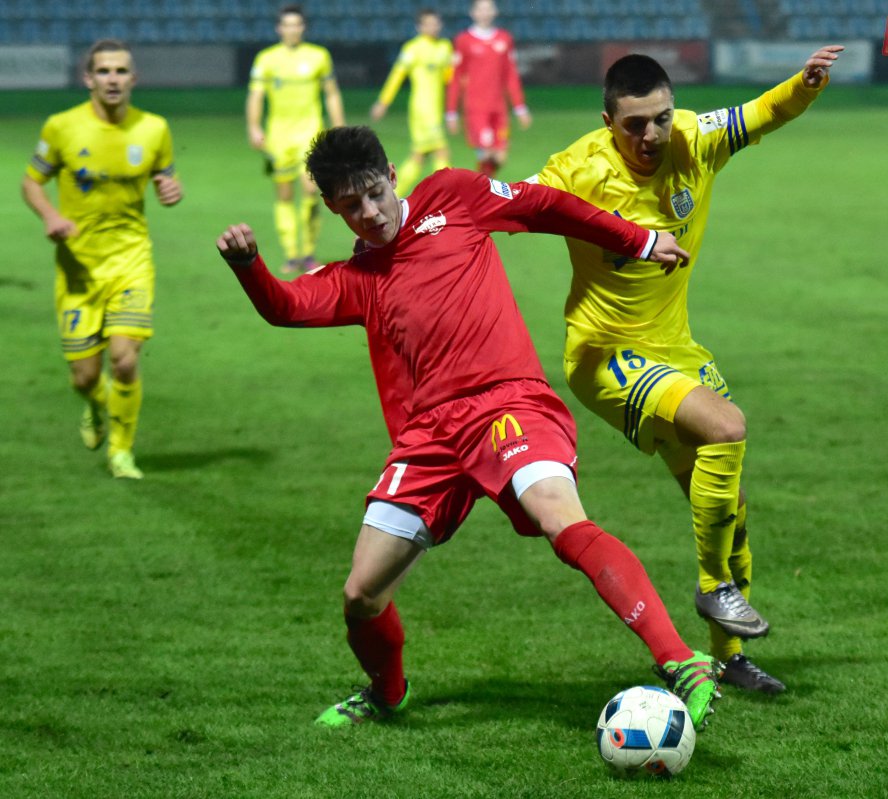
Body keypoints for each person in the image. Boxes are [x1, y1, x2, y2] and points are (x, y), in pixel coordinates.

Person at [216, 126, 724, 732]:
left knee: (557, 515)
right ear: (331, 207)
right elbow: (286, 306)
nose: (370, 212)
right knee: (361, 595)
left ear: (393, 175)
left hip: (508, 404)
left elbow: (545, 205)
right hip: (429, 438)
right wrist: (248, 265)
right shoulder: (358, 278)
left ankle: (680, 660)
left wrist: (638, 239)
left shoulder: (452, 196)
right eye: (351, 205)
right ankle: (387, 694)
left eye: (375, 193)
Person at [531, 45, 846, 694]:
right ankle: (713, 587)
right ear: (608, 122)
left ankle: (729, 658)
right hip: (605, 354)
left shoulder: (693, 138)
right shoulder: (576, 168)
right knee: (727, 426)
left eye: (661, 118)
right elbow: (511, 204)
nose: (651, 135)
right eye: (634, 124)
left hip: (676, 350)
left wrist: (806, 83)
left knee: (729, 508)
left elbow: (763, 112)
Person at [21, 39, 183, 480]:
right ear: (88, 78)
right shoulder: (61, 127)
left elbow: (165, 177)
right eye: (104, 71)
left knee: (125, 360)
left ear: (134, 79)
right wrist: (51, 216)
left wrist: (171, 190)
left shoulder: (154, 128)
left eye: (121, 71)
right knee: (84, 378)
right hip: (78, 267)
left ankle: (121, 452)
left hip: (131, 258)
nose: (113, 79)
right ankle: (95, 403)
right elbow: (32, 182)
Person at [246, 3, 346, 275]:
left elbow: (332, 93)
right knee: (284, 194)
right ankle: (292, 254)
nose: (292, 30)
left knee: (312, 191)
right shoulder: (266, 59)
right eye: (287, 25)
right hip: (278, 137)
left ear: (304, 27)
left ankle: (309, 251)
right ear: (279, 29)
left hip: (310, 133)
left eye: (297, 25)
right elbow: (255, 95)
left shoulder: (318, 56)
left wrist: (338, 126)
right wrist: (254, 126)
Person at [370, 8, 454, 192]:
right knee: (441, 152)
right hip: (422, 109)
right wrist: (383, 102)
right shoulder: (413, 49)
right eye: (428, 24)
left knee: (419, 157)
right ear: (419, 27)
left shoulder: (445, 47)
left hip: (436, 108)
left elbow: (449, 78)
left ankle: (391, 194)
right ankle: (446, 195)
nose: (433, 27)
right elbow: (397, 75)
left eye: (435, 23)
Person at [445, 0, 531, 178]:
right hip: (476, 108)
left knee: (500, 157)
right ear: (473, 13)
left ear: (495, 12)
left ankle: (482, 188)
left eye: (488, 9)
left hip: (499, 108)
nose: (485, 13)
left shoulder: (504, 39)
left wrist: (520, 107)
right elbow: (456, 78)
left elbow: (511, 75)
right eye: (481, 9)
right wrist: (451, 112)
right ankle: (484, 191)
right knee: (486, 154)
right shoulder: (464, 40)